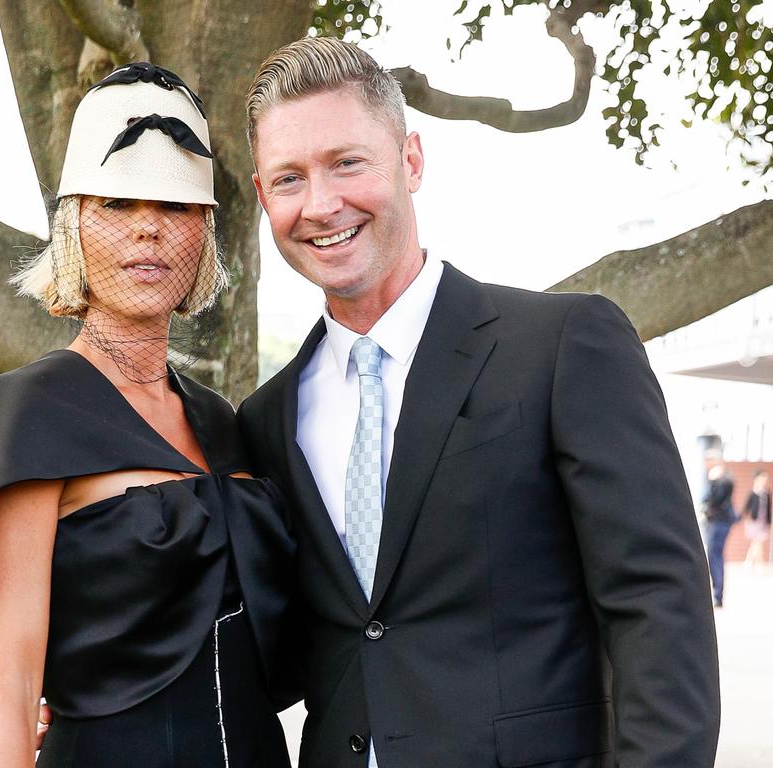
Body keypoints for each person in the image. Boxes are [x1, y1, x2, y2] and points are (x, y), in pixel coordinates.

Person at [236, 37, 720, 767]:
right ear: (262, 195)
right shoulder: (266, 421)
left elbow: (659, 611)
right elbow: (282, 652)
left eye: (347, 162)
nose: (322, 204)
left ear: (412, 160)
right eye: (289, 178)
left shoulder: (562, 348)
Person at [0, 63, 296, 768]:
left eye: (175, 208)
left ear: (205, 233)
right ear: (73, 225)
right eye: (117, 204)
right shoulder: (25, 417)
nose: (148, 232)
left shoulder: (226, 424)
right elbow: (8, 697)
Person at [702, 463, 737, 607]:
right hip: (718, 523)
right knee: (715, 556)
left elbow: (713, 499)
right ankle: (717, 594)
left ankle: (718, 595)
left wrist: (714, 480)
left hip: (718, 523)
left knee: (715, 556)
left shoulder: (723, 483)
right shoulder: (724, 483)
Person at [743, 470, 771, 568]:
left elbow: (768, 509)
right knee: (757, 542)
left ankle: (748, 561)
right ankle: (759, 563)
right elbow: (746, 507)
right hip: (754, 521)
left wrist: (769, 522)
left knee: (756, 542)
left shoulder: (767, 493)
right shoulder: (752, 493)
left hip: (763, 521)